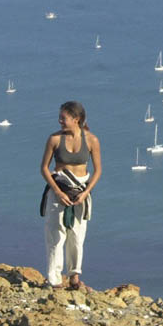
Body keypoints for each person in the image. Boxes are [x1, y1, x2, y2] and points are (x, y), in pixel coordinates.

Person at [40, 101, 102, 289]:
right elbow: (44, 168)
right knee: (55, 235)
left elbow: (98, 170)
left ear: (76, 120)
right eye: (60, 117)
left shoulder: (91, 140)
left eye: (63, 118)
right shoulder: (54, 139)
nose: (60, 121)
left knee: (76, 236)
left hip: (80, 193)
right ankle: (55, 278)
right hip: (58, 191)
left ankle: (74, 275)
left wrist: (86, 192)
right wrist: (57, 192)